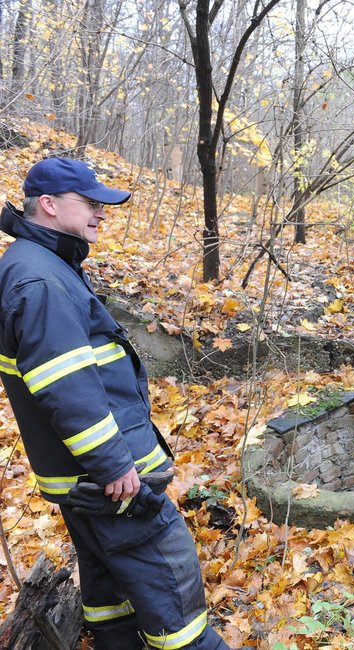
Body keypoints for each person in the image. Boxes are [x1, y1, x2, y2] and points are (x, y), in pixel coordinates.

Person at [0, 158, 230, 649]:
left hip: (88, 482)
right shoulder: (40, 280)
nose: (102, 213)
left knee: (111, 599)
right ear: (49, 205)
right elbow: (65, 386)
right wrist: (113, 467)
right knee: (177, 606)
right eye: (90, 203)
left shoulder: (40, 264)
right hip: (112, 486)